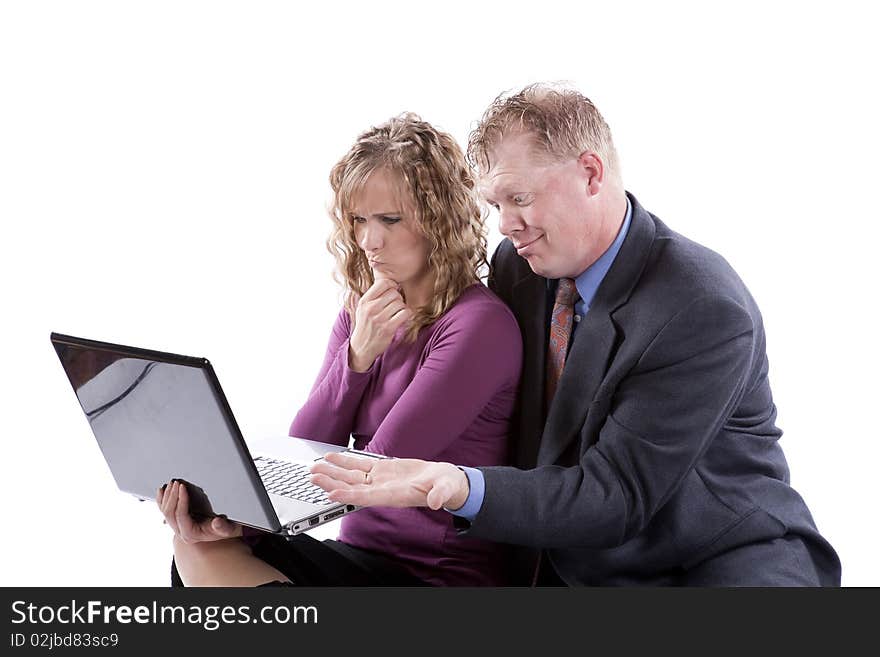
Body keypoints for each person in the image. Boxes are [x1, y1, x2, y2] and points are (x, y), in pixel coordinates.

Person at [311, 84, 842, 586]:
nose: (505, 225)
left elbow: (616, 494)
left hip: (709, 561)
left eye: (520, 198)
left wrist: (463, 486)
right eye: (496, 205)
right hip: (571, 555)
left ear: (591, 174)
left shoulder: (701, 306)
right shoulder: (521, 266)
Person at [161, 114, 522, 586]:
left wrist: (246, 525)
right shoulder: (364, 312)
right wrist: (356, 356)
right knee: (195, 541)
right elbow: (306, 445)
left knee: (214, 562)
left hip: (431, 577)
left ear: (440, 219)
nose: (370, 242)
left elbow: (376, 473)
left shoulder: (479, 326)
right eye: (358, 221)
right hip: (359, 555)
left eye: (390, 220)